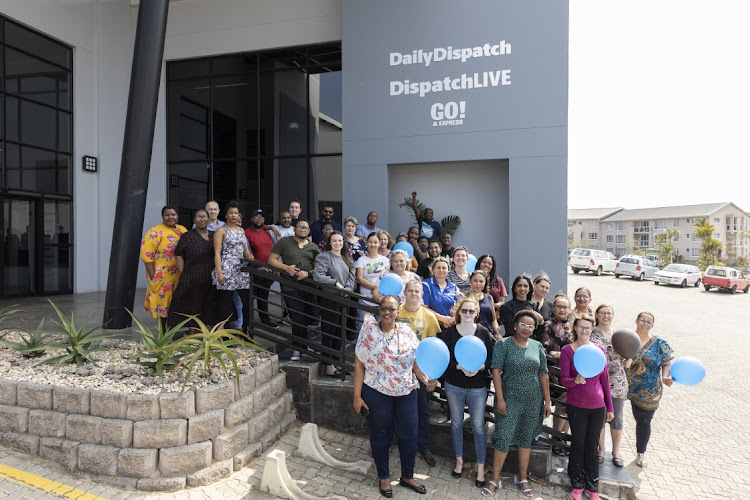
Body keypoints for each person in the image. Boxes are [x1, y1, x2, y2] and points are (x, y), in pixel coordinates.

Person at [353, 295, 430, 497]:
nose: (387, 312)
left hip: (406, 391)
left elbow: (414, 359)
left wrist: (423, 376)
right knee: (381, 435)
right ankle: (384, 478)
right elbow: (359, 364)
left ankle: (407, 476)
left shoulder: (406, 331)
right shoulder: (368, 331)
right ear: (379, 310)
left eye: (391, 309)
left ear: (398, 311)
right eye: (383, 308)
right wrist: (357, 396)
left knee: (410, 435)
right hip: (377, 392)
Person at [485, 310, 552, 498]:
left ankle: (522, 477)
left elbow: (543, 374)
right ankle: (494, 478)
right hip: (509, 400)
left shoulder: (537, 346)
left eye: (531, 326)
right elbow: (496, 371)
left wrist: (547, 402)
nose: (526, 328)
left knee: (525, 439)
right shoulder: (503, 345)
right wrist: (500, 399)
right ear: (514, 325)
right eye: (523, 324)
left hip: (533, 401)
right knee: (503, 438)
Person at [438, 296, 494, 489]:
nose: (468, 314)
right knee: (456, 424)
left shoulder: (483, 332)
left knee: (478, 426)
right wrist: (458, 366)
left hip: (478, 386)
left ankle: (480, 467)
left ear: (476, 313)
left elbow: (491, 358)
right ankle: (459, 461)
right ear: (458, 312)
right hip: (454, 384)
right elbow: (444, 359)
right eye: (464, 311)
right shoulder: (450, 333)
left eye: (471, 311)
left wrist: (480, 367)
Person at [561, 314, 614, 500]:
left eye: (588, 328)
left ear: (592, 330)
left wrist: (610, 408)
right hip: (577, 406)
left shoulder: (599, 349)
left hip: (598, 407)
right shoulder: (568, 350)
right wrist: (575, 381)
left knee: (592, 447)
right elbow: (564, 380)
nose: (584, 331)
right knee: (578, 444)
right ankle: (576, 485)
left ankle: (592, 487)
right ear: (575, 328)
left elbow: (605, 381)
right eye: (581, 327)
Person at [398, 279, 441, 468]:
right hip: (397, 369)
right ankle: (401, 445)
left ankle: (424, 447)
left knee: (422, 410)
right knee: (397, 408)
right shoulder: (396, 312)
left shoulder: (429, 316)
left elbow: (434, 348)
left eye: (417, 291)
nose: (414, 294)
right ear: (405, 292)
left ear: (422, 294)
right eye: (411, 291)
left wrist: (433, 375)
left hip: (421, 370)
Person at [625, 312, 673, 468]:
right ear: (636, 320)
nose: (645, 324)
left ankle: (641, 453)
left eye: (649, 322)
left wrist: (666, 376)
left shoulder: (660, 343)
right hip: (623, 384)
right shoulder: (627, 337)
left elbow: (666, 362)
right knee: (610, 416)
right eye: (642, 320)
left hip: (648, 389)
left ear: (652, 325)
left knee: (644, 421)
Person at [268, 218, 320, 361]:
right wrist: (286, 268)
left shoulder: (313, 247)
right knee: (297, 317)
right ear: (295, 229)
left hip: (309, 287)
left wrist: (308, 273)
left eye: (305, 228)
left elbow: (319, 268)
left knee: (306, 317)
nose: (303, 230)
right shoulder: (285, 242)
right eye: (300, 227)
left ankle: (303, 346)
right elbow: (271, 260)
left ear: (309, 231)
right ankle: (297, 349)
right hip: (290, 286)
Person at [590, 304, 631, 467]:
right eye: (603, 313)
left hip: (618, 381)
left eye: (609, 313)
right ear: (597, 315)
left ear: (613, 316)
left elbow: (628, 353)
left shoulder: (619, 335)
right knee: (600, 416)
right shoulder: (591, 332)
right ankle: (601, 449)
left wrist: (628, 361)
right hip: (597, 380)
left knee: (617, 418)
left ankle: (615, 451)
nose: (606, 316)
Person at [313, 231, 355, 377]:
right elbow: (318, 276)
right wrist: (335, 284)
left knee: (340, 333)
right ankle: (328, 366)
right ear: (329, 243)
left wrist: (347, 290)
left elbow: (351, 277)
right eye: (334, 241)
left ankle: (337, 362)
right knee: (329, 333)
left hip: (344, 300)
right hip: (330, 300)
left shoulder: (346, 258)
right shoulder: (324, 257)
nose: (337, 243)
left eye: (340, 241)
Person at [538, 293, 575, 456]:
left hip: (573, 371)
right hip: (555, 371)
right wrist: (556, 354)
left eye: (565, 307)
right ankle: (557, 439)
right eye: (558, 306)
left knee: (568, 407)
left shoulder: (575, 325)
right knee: (561, 405)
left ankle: (562, 438)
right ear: (553, 308)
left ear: (570, 309)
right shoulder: (548, 325)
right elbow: (545, 347)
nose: (562, 309)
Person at [166, 209, 215, 329]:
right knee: (188, 305)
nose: (202, 219)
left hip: (210, 280)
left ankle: (204, 334)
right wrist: (183, 273)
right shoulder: (187, 236)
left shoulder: (214, 236)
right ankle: (186, 332)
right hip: (192, 278)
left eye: (204, 217)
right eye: (198, 217)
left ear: (208, 219)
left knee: (208, 307)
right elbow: (178, 254)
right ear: (194, 220)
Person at [140, 206, 188, 330]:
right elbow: (147, 255)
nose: (171, 217)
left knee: (176, 302)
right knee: (163, 305)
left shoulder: (182, 230)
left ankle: (174, 328)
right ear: (163, 217)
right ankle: (162, 332)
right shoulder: (154, 231)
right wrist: (153, 276)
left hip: (179, 274)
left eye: (173, 214)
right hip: (162, 276)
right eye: (167, 215)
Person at [212, 201, 253, 330]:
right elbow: (217, 253)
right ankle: (225, 335)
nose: (233, 215)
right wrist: (219, 272)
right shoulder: (221, 230)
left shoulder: (241, 230)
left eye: (236, 213)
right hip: (227, 268)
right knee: (226, 303)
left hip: (240, 269)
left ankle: (246, 331)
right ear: (226, 215)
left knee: (246, 301)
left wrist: (250, 257)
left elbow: (245, 250)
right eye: (231, 213)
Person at [244, 209, 279, 328]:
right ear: (251, 219)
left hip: (268, 268)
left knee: (264, 295)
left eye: (261, 218)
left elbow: (274, 249)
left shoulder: (267, 232)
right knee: (250, 296)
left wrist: (276, 267)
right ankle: (247, 322)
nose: (259, 220)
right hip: (254, 269)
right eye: (256, 217)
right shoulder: (247, 232)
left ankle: (265, 319)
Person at [355, 232, 390, 323]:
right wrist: (376, 287)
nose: (373, 245)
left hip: (382, 301)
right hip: (366, 300)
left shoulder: (385, 260)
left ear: (379, 243)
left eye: (375, 242)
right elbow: (360, 279)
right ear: (366, 243)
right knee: (365, 328)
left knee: (382, 329)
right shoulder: (361, 260)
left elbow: (387, 279)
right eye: (370, 242)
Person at [422, 257, 461, 328]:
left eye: (444, 268)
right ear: (433, 269)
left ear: (448, 270)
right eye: (438, 268)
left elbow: (458, 308)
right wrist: (442, 319)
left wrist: (451, 320)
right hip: (432, 327)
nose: (441, 270)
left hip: (450, 327)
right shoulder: (426, 284)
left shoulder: (454, 287)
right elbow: (423, 308)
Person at [469, 270, 502, 341]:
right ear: (470, 282)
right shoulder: (466, 298)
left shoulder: (489, 297)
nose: (478, 284)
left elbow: (493, 320)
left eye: (481, 281)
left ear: (485, 283)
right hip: (473, 336)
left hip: (490, 336)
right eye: (475, 281)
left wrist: (498, 334)